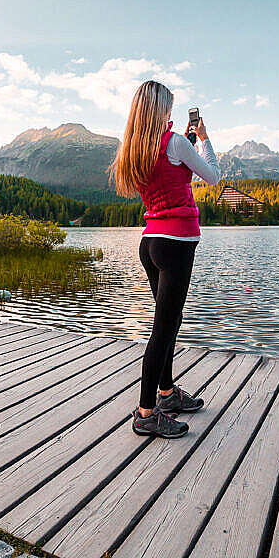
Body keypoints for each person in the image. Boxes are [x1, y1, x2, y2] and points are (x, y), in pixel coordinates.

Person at [109, 80, 221, 438]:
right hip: (175, 244)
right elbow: (214, 176)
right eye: (168, 107)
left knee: (168, 320)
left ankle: (168, 393)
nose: (172, 113)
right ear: (161, 111)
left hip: (152, 241)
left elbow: (168, 172)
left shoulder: (135, 149)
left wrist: (186, 142)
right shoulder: (175, 142)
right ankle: (146, 412)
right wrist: (202, 138)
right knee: (163, 327)